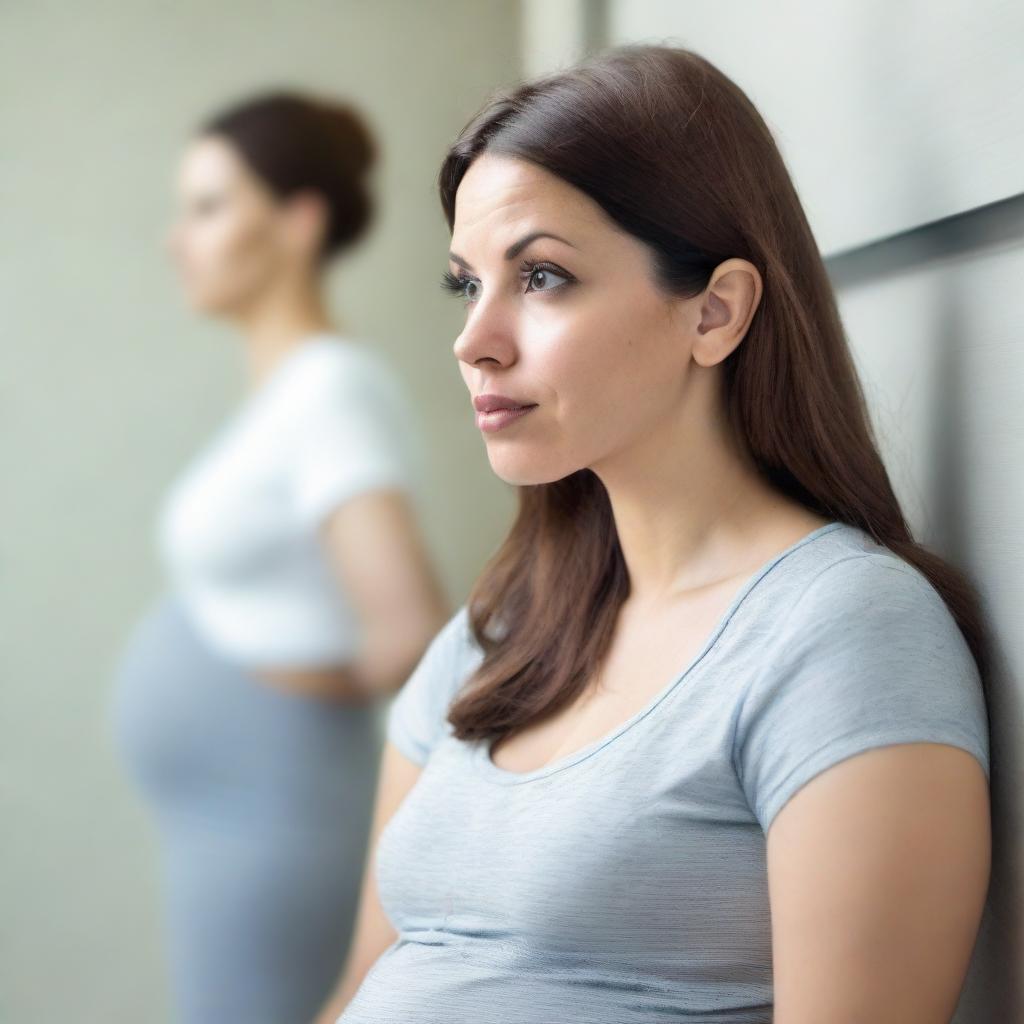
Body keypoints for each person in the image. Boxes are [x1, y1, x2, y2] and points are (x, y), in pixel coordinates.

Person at [315, 44, 993, 1024]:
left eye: (541, 276)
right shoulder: (497, 632)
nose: (475, 338)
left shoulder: (845, 631)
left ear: (714, 312)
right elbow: (356, 991)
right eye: (467, 284)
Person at [109, 90, 449, 1024]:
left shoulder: (330, 391)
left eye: (209, 207)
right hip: (227, 818)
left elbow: (413, 627)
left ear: (298, 223)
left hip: (273, 813)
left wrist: (259, 697)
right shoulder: (289, 398)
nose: (179, 240)